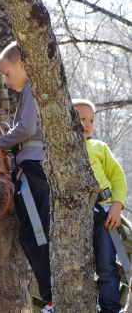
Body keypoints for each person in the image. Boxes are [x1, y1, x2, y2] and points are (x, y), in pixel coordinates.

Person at [0, 41, 53, 313]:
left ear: (22, 65)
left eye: (6, 72)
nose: (5, 79)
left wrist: (1, 143)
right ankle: (51, 295)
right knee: (33, 234)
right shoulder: (30, 91)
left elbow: (26, 129)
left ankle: (52, 296)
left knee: (34, 234)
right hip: (29, 168)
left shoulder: (31, 89)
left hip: (32, 171)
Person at [72, 98, 127, 313]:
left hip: (104, 212)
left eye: (91, 120)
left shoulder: (99, 147)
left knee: (106, 265)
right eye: (82, 118)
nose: (88, 124)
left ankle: (110, 309)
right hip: (75, 217)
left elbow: (118, 179)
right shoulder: (58, 151)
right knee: (77, 266)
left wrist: (117, 205)